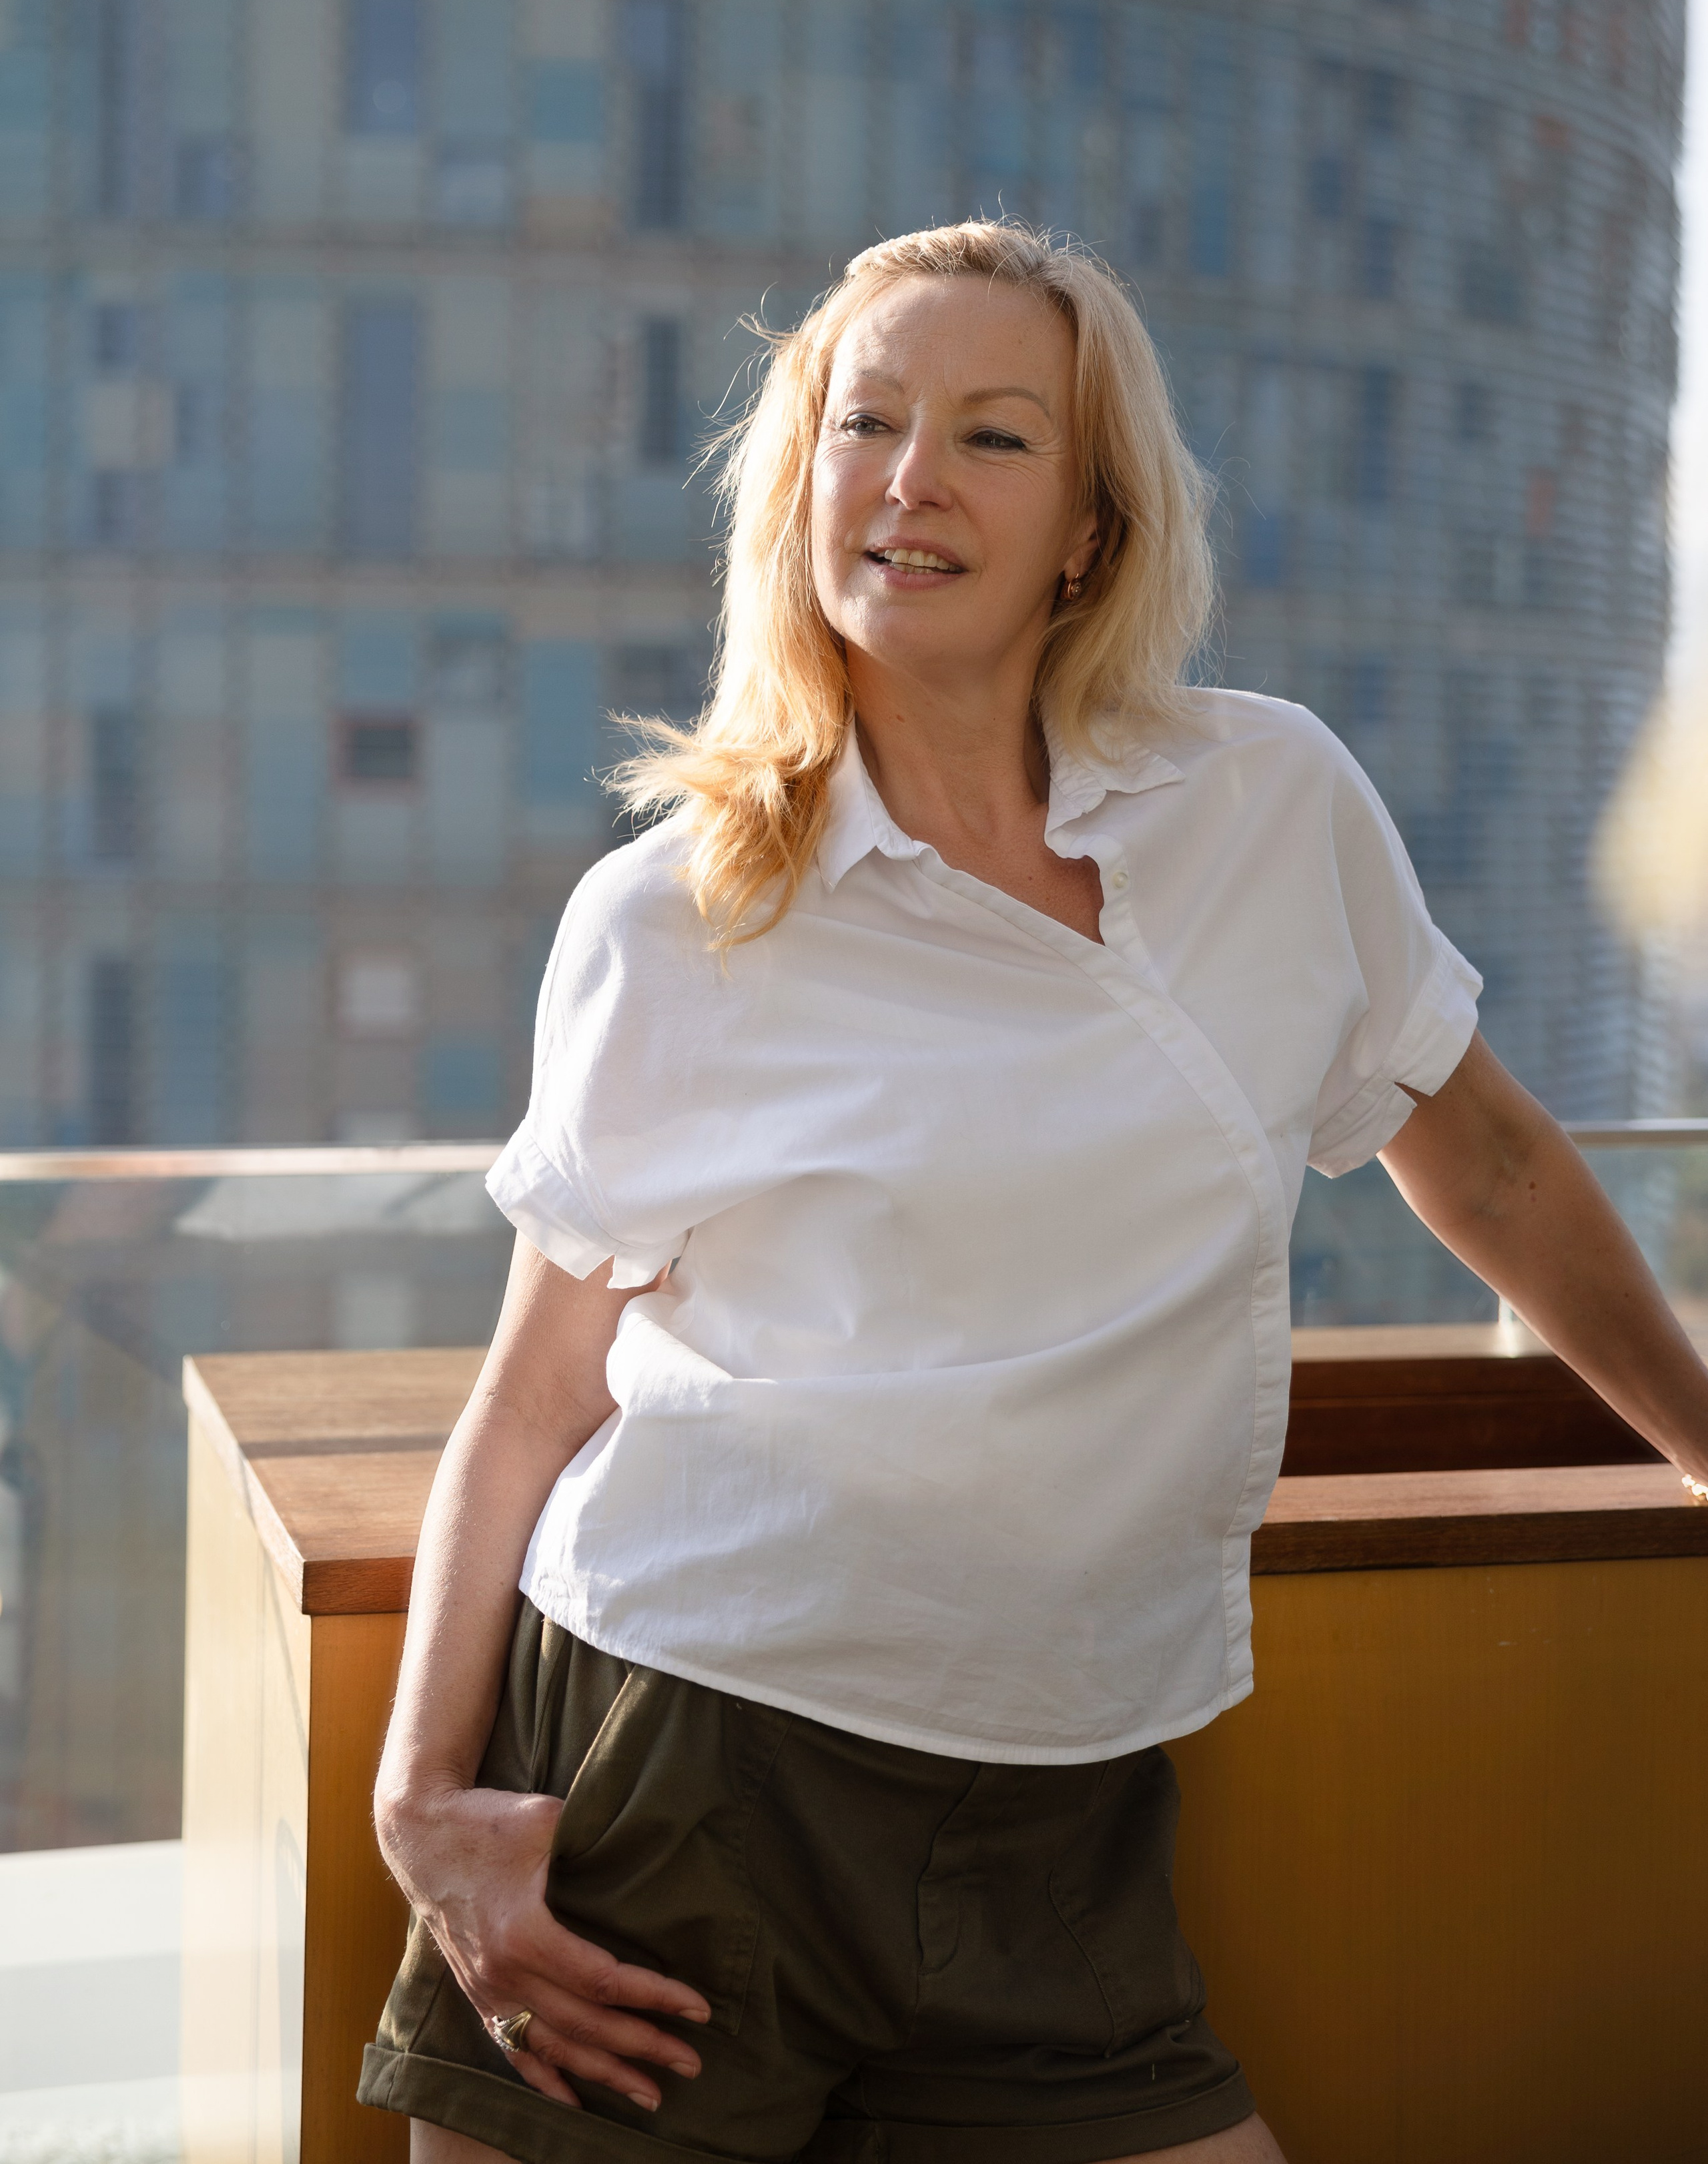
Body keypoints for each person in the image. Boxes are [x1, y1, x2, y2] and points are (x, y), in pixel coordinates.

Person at [360, 220, 1708, 2164]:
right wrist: (426, 1804)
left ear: (1091, 528)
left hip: (1063, 1790)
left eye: (995, 439)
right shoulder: (674, 915)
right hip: (694, 1762)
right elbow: (539, 1393)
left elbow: (1485, 1156)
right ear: (801, 478)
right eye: (868, 421)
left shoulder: (1273, 805)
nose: (911, 479)